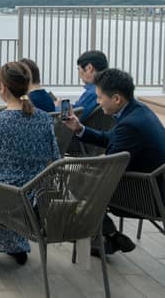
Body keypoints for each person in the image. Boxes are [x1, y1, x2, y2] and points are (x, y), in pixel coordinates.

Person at [63, 68, 165, 255]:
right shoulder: (138, 111)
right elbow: (111, 139)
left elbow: (109, 170)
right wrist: (80, 129)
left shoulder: (130, 125)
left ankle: (105, 234)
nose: (98, 102)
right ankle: (107, 237)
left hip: (147, 196)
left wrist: (82, 169)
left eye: (100, 97)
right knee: (81, 179)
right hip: (153, 184)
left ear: (117, 99)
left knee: (74, 182)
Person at [0, 62, 61, 269]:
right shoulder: (44, 119)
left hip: (4, 194)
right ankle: (16, 245)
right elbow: (54, 157)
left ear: (2, 87)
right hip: (36, 195)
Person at [59, 50, 108, 121]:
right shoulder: (108, 88)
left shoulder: (94, 92)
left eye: (79, 69)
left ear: (89, 68)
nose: (79, 75)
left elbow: (73, 116)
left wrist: (59, 107)